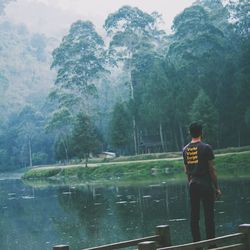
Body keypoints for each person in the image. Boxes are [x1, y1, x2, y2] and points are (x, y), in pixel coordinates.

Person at [182, 122, 221, 245]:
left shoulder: (185, 149)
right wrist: (217, 188)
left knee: (194, 216)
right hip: (205, 184)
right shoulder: (206, 147)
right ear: (201, 132)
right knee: (209, 216)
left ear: (190, 133)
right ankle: (211, 245)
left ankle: (196, 245)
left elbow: (187, 171)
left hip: (193, 184)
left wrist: (190, 184)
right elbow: (211, 169)